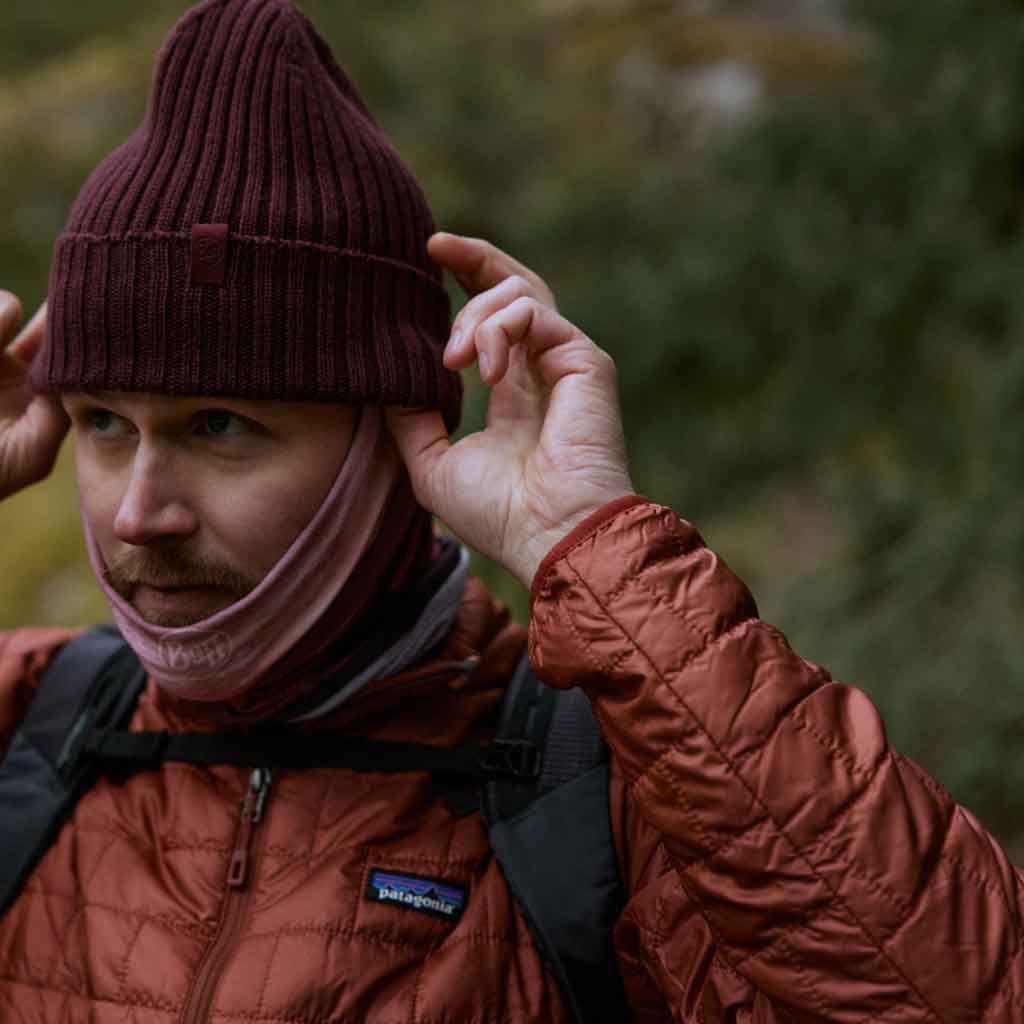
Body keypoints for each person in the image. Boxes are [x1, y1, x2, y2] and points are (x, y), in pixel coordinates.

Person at [0, 0, 1020, 1020]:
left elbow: (947, 998)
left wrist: (589, 545)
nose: (139, 514)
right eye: (103, 423)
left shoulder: (614, 789)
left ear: (386, 434)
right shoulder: (33, 729)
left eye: (219, 425)